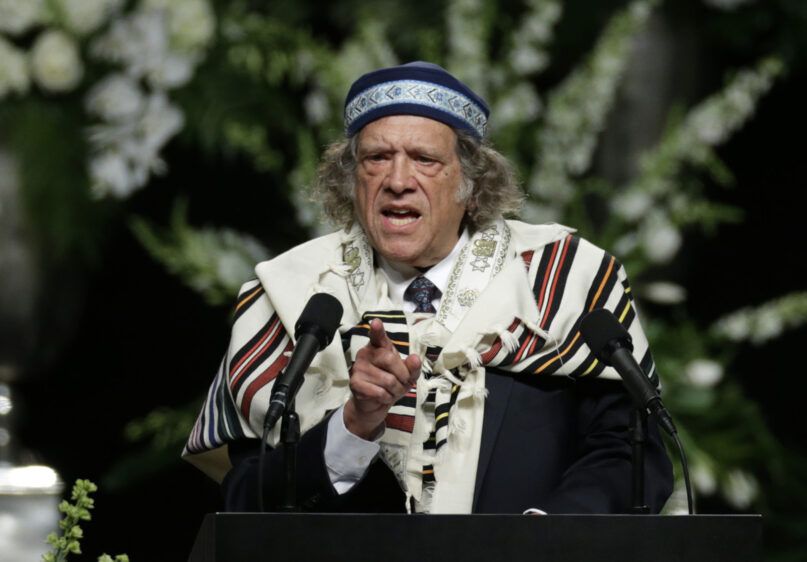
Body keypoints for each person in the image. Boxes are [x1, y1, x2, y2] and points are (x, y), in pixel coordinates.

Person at [182, 61, 673, 514]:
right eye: (376, 157)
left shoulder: (567, 278)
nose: (398, 180)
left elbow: (633, 457)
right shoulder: (291, 293)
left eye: (424, 159)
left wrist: (548, 539)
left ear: (472, 183)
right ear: (351, 181)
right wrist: (354, 425)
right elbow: (245, 498)